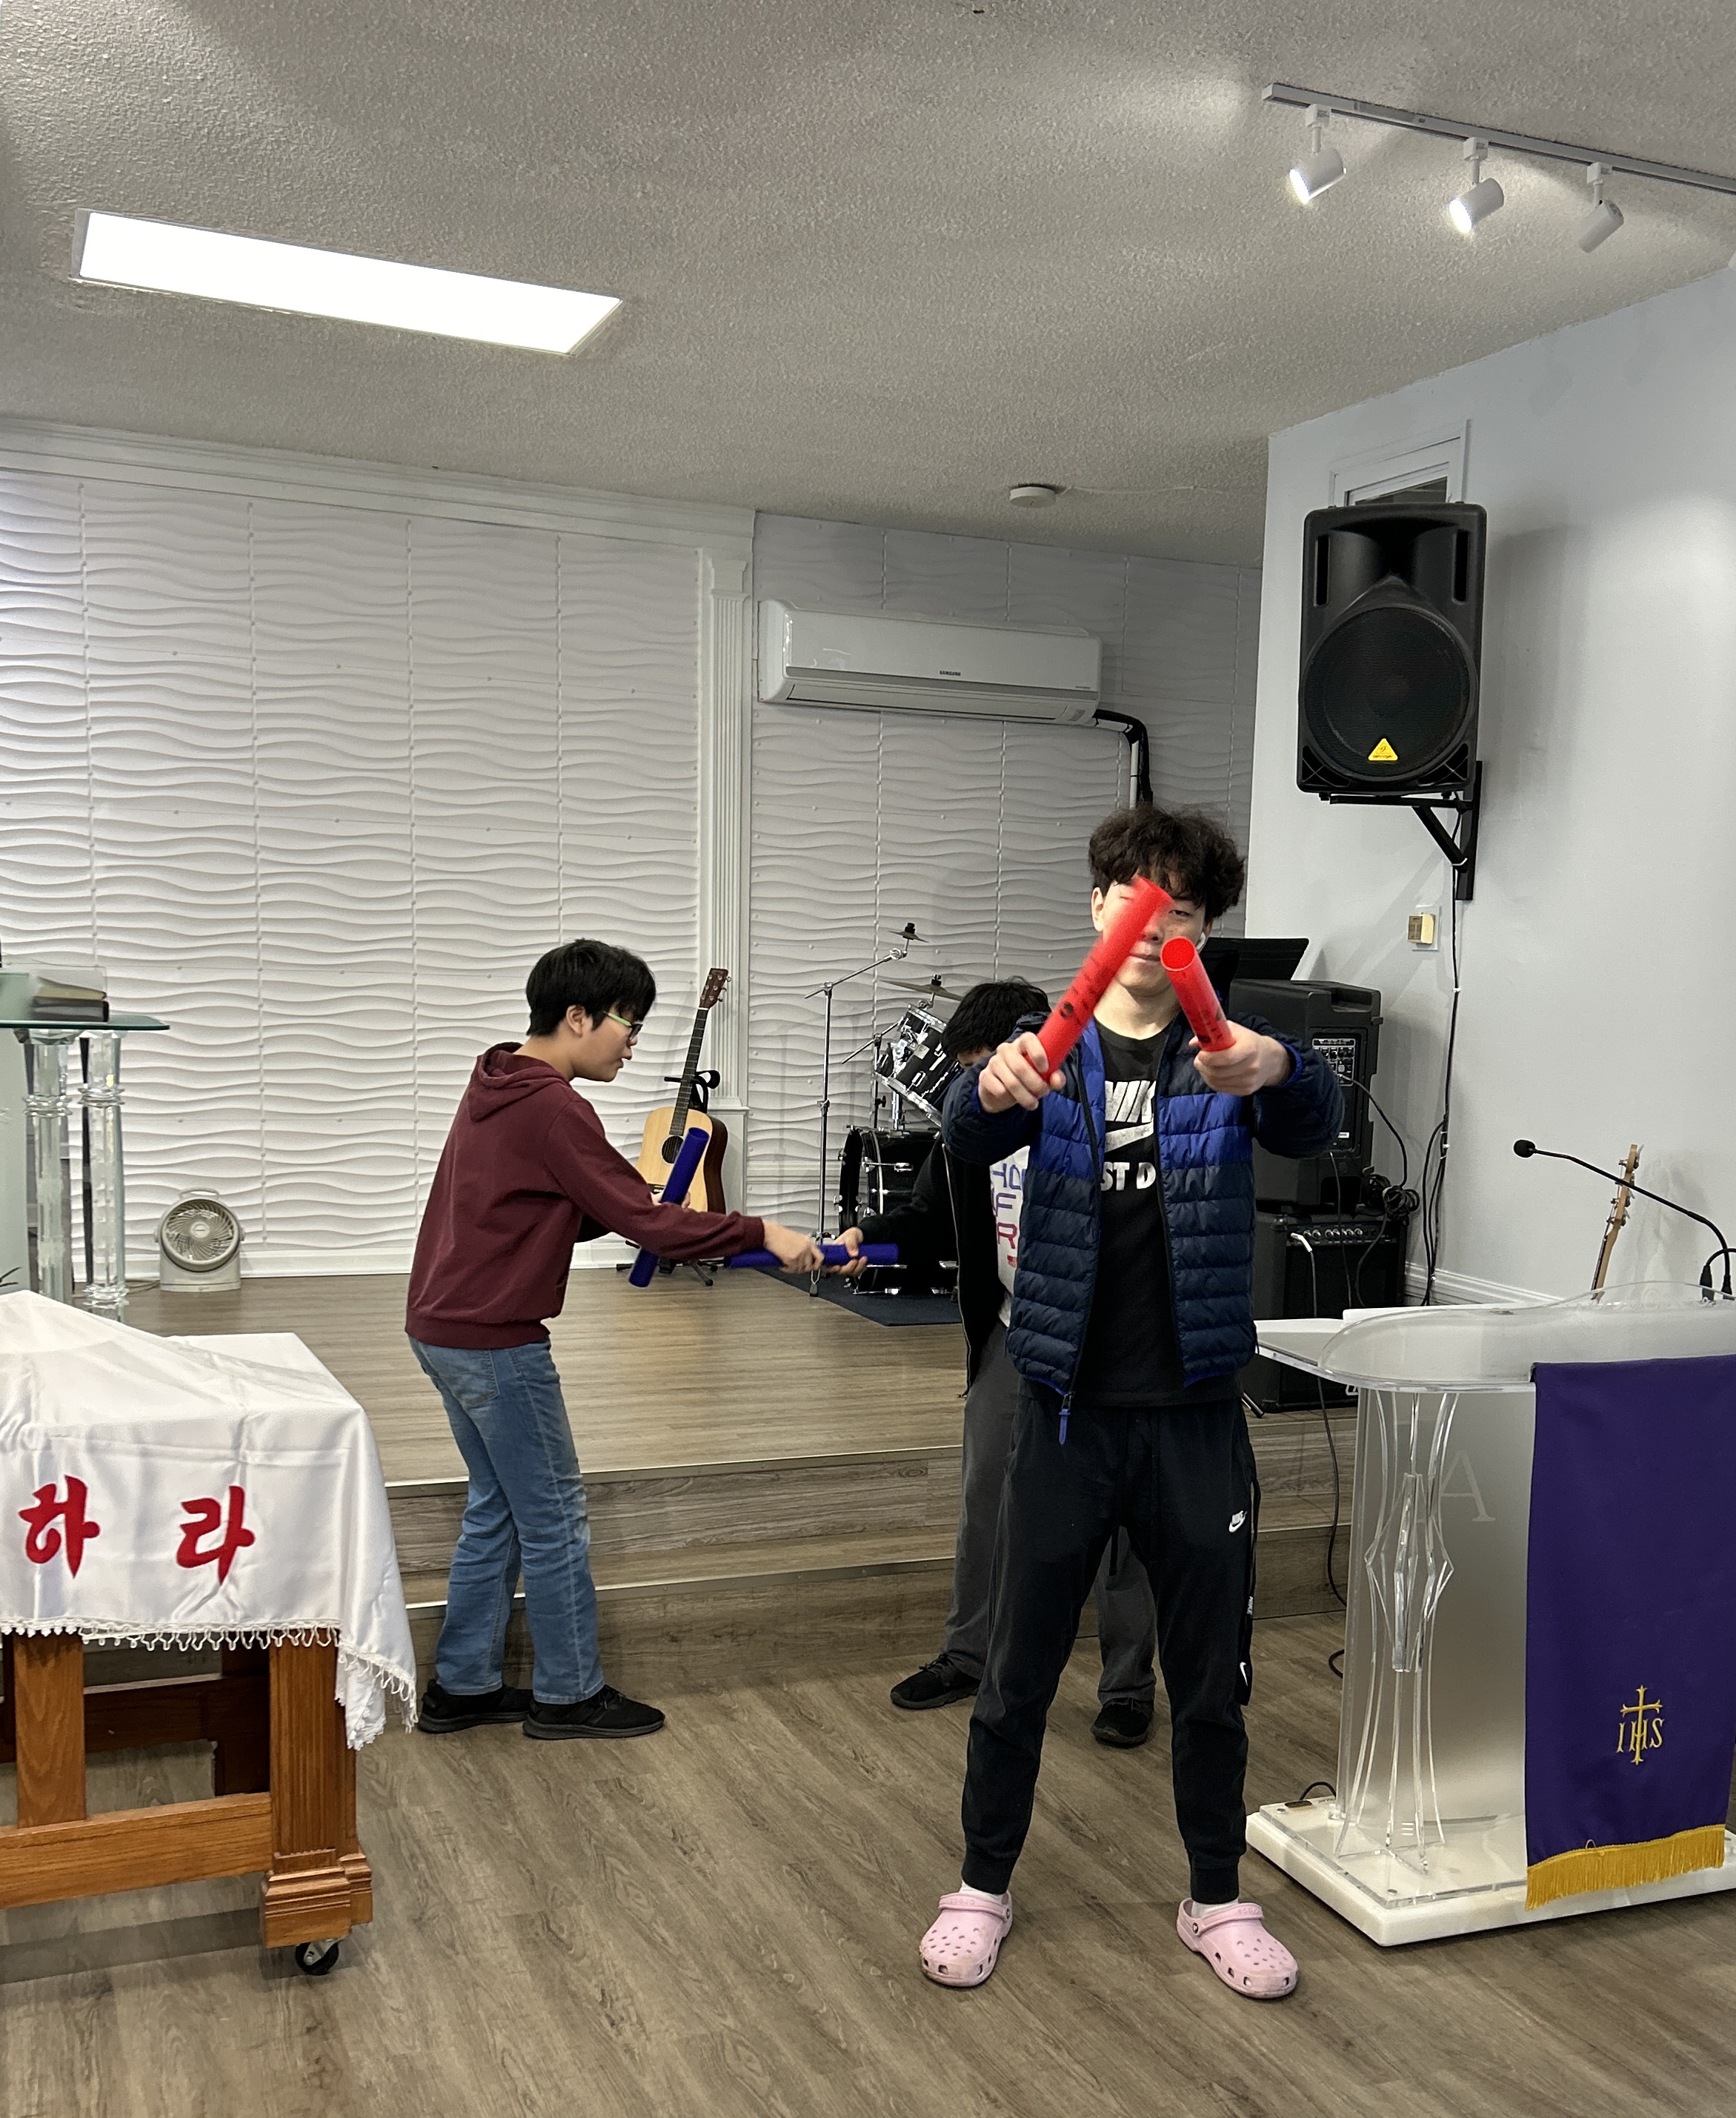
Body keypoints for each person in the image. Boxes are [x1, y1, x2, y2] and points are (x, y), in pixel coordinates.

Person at [914, 807, 1343, 2002]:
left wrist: (1280, 1068)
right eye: (1135, 898)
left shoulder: (1229, 1052)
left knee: (1210, 1682)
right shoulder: (1042, 1050)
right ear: (1099, 906)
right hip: (1065, 1413)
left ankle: (1216, 1897)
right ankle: (981, 1887)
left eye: (1183, 908)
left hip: (1195, 1414)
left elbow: (1315, 1117)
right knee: (1017, 1670)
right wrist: (991, 1084)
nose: (1156, 925)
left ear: (1204, 928)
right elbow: (963, 1136)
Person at [408, 937, 821, 1742]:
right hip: (494, 1340)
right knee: (554, 1515)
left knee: (498, 1507)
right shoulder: (554, 1106)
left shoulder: (497, 1078)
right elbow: (645, 1225)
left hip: (441, 1327)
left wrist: (622, 1202)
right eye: (627, 1024)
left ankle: (463, 1686)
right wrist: (762, 1231)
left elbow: (548, 1206)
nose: (633, 1044)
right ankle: (569, 1695)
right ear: (577, 1017)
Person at [847, 978, 1158, 1747]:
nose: (978, 1087)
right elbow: (929, 1220)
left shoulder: (1092, 1109)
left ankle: (1128, 1687)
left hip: (1107, 1349)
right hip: (1013, 1333)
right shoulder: (969, 1125)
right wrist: (867, 1239)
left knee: (1122, 1525)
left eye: (981, 1067)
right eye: (968, 1074)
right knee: (985, 1499)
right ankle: (968, 1655)